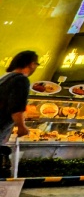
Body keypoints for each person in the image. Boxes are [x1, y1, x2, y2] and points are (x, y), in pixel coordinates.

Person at [0, 51, 38, 179]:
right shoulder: (21, 80)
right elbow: (16, 107)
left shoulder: (5, 77)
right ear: (32, 64)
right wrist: (22, 126)